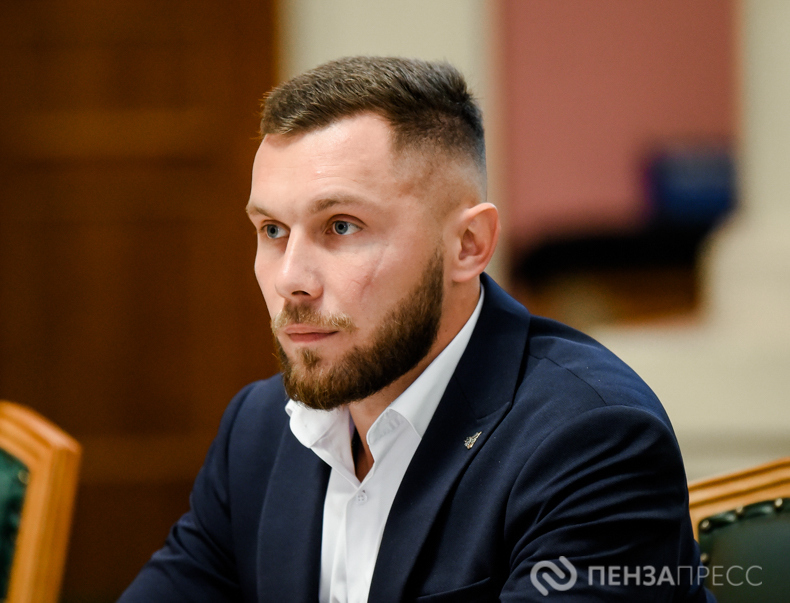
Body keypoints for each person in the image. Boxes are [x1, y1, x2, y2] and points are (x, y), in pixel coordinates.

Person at [119, 57, 713, 602]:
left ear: (468, 245)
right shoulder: (257, 431)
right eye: (272, 230)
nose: (291, 280)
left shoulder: (592, 440)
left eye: (341, 226)